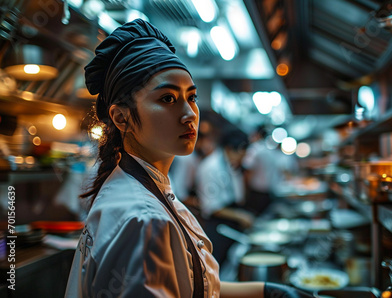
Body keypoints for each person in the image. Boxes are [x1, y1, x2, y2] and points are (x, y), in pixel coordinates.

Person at [65, 18, 312, 298]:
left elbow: (191, 286)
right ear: (122, 118)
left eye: (191, 97)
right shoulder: (144, 220)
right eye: (168, 99)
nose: (189, 114)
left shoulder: (150, 191)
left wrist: (263, 291)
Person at [195, 127, 254, 266]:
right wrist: (241, 216)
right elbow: (211, 207)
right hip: (218, 225)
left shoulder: (231, 164)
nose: (244, 157)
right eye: (242, 153)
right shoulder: (210, 167)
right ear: (230, 148)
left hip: (232, 218)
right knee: (219, 264)